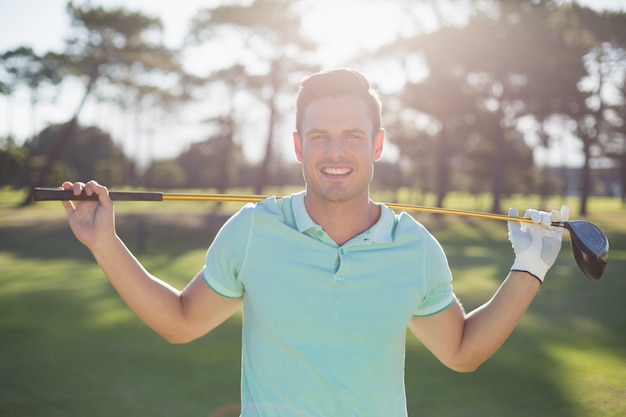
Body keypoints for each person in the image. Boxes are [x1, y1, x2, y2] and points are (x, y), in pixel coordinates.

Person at [59, 68, 569, 417]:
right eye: (320, 135)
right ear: (299, 145)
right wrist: (103, 240)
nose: (335, 151)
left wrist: (529, 268)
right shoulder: (254, 229)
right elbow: (181, 322)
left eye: (352, 135)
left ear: (377, 144)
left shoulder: (413, 247)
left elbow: (460, 352)